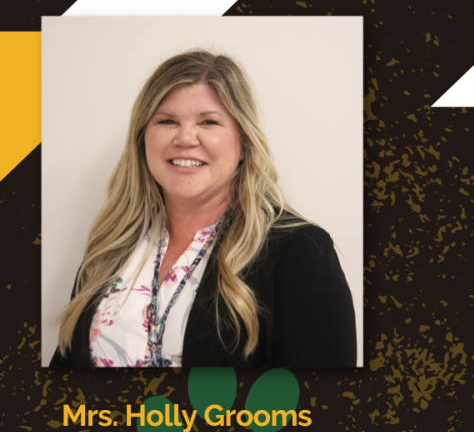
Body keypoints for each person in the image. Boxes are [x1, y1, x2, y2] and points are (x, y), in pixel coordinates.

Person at [51, 50, 356, 369]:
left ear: (243, 142)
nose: (185, 138)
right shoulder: (113, 244)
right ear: (142, 139)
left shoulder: (300, 251)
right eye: (167, 121)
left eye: (209, 122)